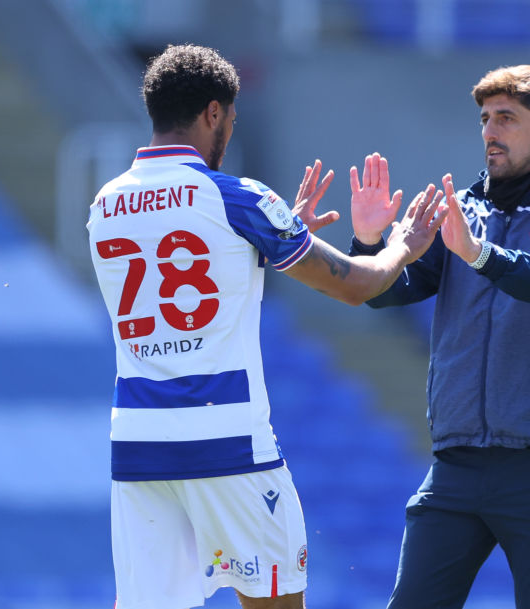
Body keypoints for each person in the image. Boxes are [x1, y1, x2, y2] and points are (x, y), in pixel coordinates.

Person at [86, 44, 444, 609]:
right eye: (230, 117)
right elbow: (356, 285)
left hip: (139, 444)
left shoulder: (104, 203)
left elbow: (178, 269)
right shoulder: (239, 198)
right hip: (225, 440)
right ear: (212, 113)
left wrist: (274, 234)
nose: (229, 128)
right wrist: (402, 246)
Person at [349, 65, 530, 608]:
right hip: (456, 462)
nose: (490, 132)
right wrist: (368, 239)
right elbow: (383, 292)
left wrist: (480, 254)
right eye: (484, 119)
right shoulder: (461, 210)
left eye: (506, 118)